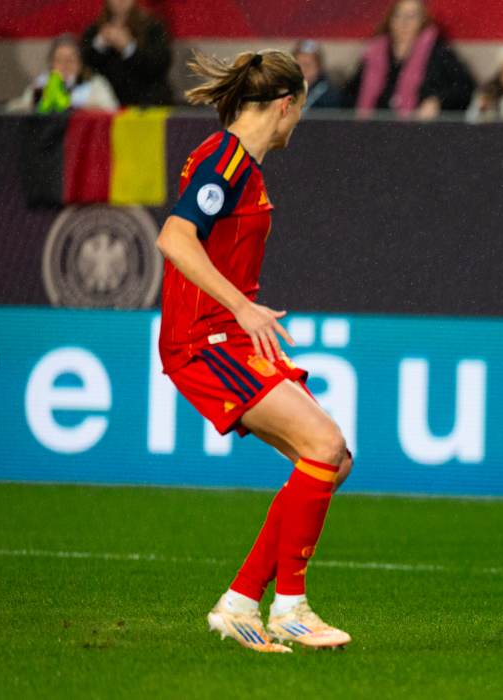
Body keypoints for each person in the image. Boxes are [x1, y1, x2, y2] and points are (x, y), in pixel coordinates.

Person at [158, 49, 353, 653]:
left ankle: (242, 601)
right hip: (205, 339)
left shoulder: (236, 162)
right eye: (301, 111)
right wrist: (241, 306)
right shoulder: (226, 160)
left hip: (230, 336)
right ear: (286, 105)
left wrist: (240, 313)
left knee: (334, 459)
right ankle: (290, 607)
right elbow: (175, 238)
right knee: (322, 445)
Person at [344, 0, 475, 118]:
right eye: (398, 15)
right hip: (374, 129)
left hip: (420, 131)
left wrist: (438, 101)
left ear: (423, 21)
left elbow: (465, 89)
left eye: (411, 16)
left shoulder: (439, 53)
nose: (404, 22)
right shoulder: (374, 53)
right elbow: (350, 95)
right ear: (390, 20)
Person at [81, 0, 173, 106]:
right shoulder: (95, 30)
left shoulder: (153, 26)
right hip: (107, 105)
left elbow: (160, 65)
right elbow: (85, 67)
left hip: (147, 104)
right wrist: (100, 44)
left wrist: (128, 48)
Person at [7, 34, 119, 113]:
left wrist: (81, 109)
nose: (65, 66)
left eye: (70, 60)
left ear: (80, 63)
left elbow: (112, 111)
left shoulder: (95, 85)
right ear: (51, 63)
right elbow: (15, 109)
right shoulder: (41, 85)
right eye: (59, 60)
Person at [293, 39, 344, 111]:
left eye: (307, 65)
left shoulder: (328, 95)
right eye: (298, 66)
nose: (302, 70)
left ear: (319, 67)